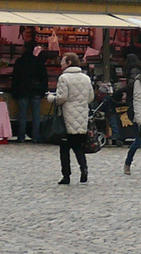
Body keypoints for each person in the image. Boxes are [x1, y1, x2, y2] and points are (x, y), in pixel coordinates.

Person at [48, 52, 94, 185]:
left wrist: (51, 98)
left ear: (69, 63)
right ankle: (83, 169)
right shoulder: (85, 78)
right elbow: (90, 97)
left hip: (67, 116)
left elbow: (62, 98)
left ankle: (66, 175)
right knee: (78, 146)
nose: (61, 63)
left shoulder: (64, 78)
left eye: (63, 60)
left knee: (64, 147)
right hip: (82, 115)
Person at [10, 40, 49, 143]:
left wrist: (14, 91)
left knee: (22, 115)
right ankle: (35, 136)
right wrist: (42, 90)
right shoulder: (38, 62)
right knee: (36, 115)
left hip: (22, 91)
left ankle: (21, 136)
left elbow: (15, 78)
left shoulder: (20, 62)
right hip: (36, 92)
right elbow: (44, 78)